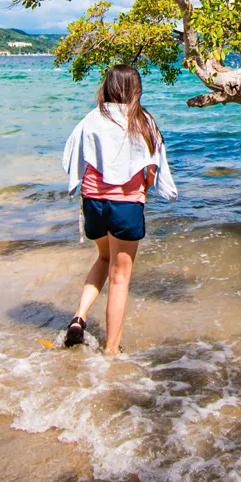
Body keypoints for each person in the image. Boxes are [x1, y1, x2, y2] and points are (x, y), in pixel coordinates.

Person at [59, 63, 177, 354]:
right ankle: (112, 350)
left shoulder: (92, 118)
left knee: (103, 258)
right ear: (136, 90)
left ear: (108, 87)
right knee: (120, 278)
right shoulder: (143, 120)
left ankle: (79, 317)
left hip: (93, 202)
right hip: (126, 204)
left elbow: (74, 156)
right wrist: (147, 190)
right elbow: (153, 169)